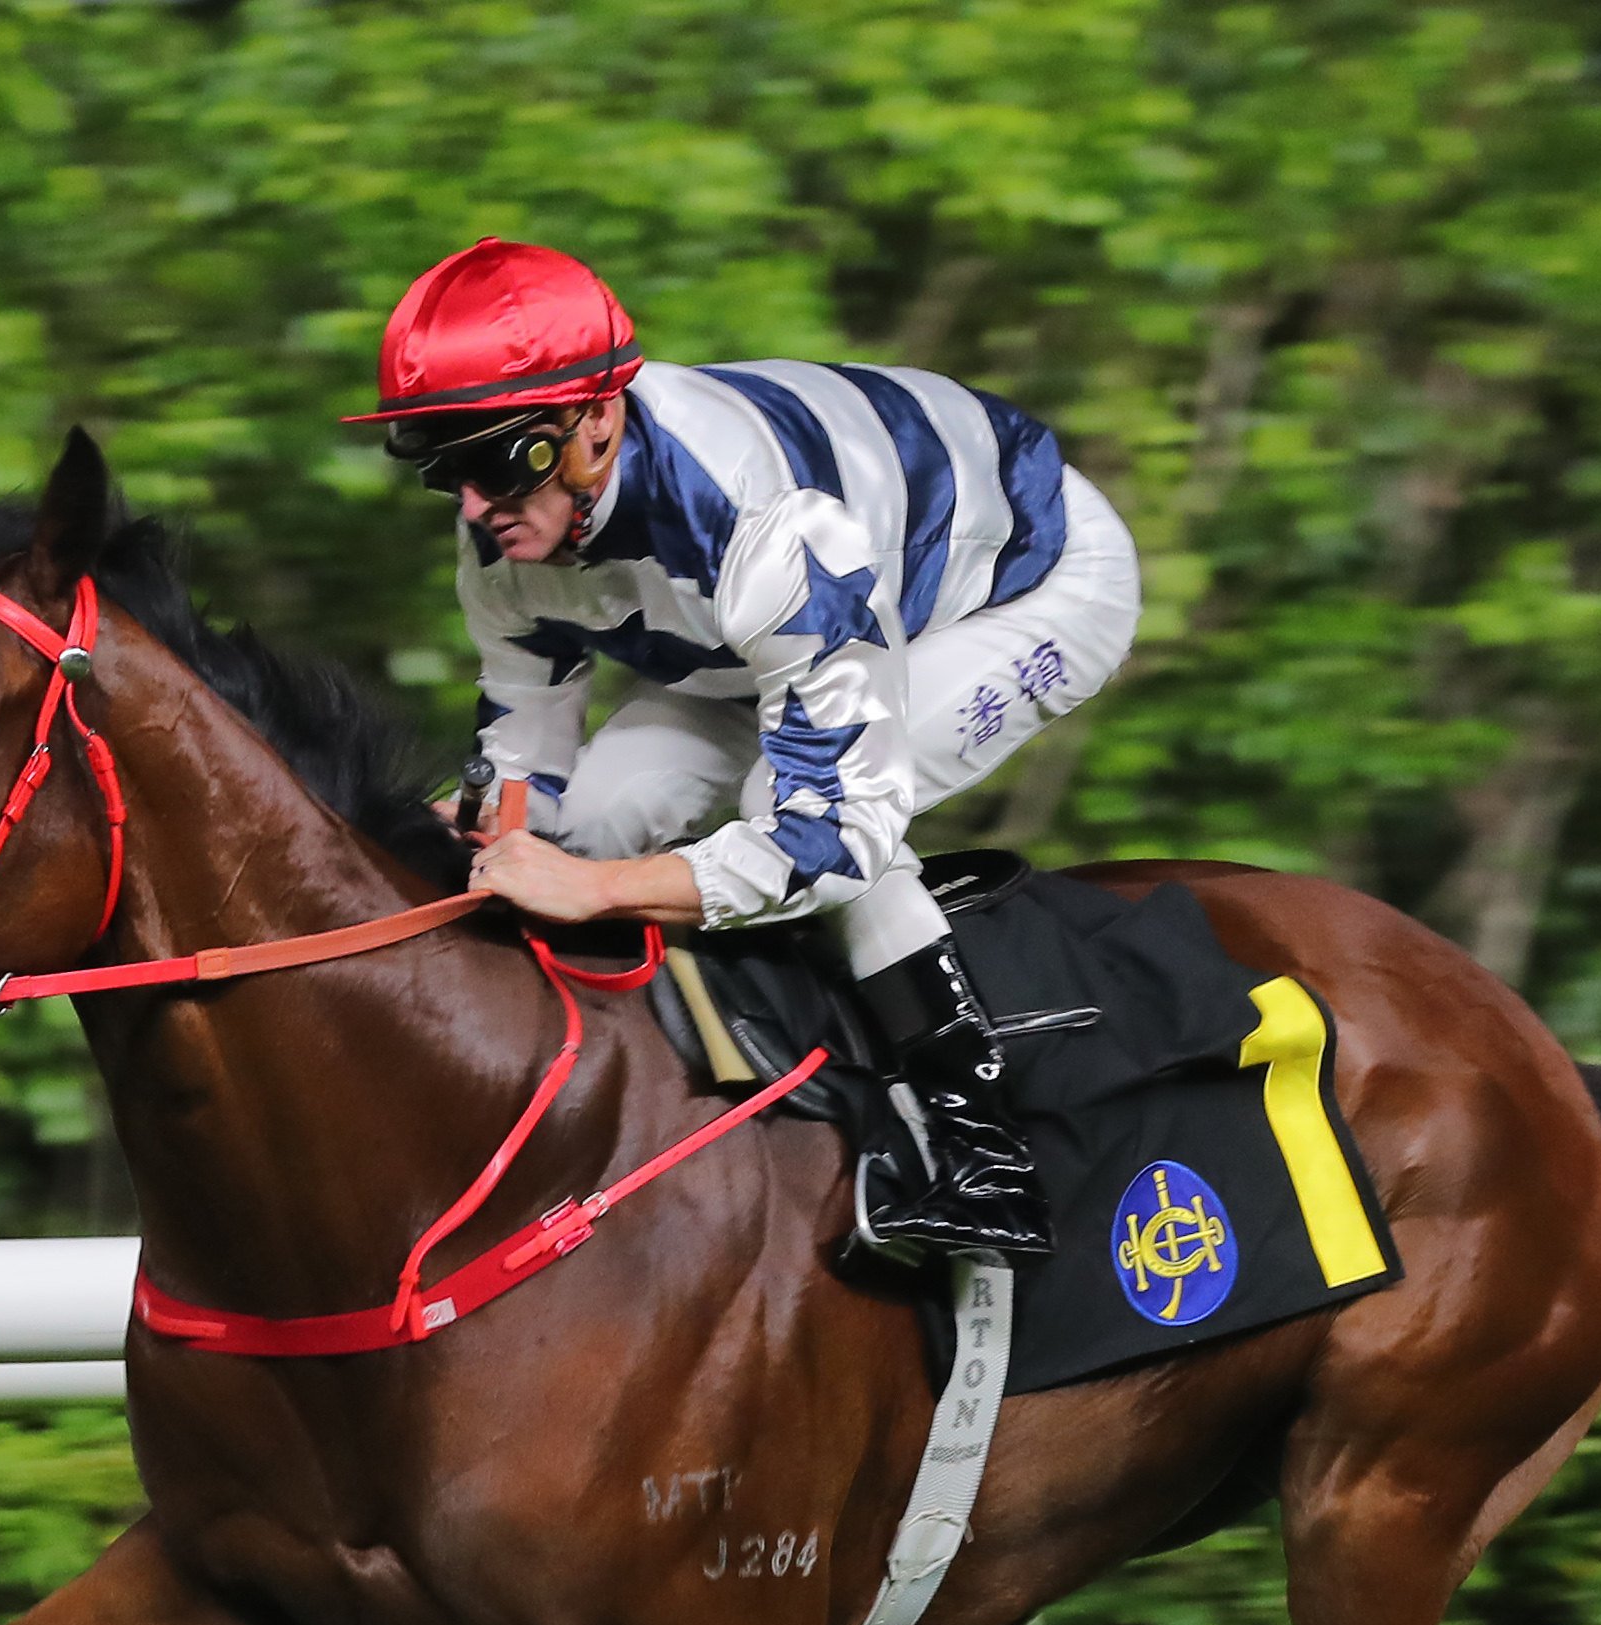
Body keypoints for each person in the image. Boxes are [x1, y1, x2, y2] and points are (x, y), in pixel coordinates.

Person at [350, 238, 1143, 1259]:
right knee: (595, 820)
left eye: (502, 460)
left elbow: (832, 837)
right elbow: (526, 761)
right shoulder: (507, 536)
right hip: (759, 645)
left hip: (1020, 592)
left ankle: (984, 1156)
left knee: (801, 807)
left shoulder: (766, 524)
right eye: (443, 468)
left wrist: (598, 892)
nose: (474, 505)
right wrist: (487, 832)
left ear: (599, 415)